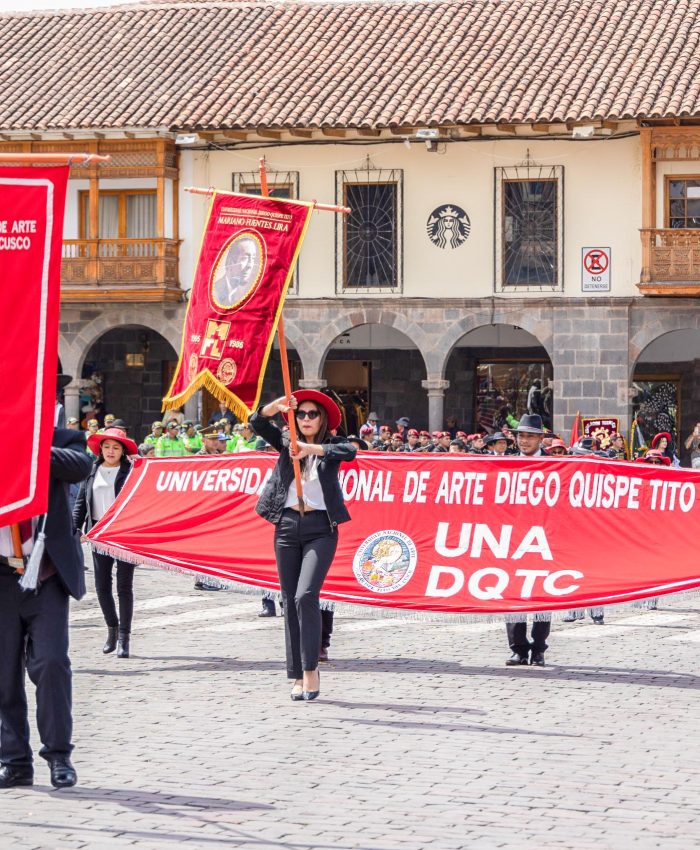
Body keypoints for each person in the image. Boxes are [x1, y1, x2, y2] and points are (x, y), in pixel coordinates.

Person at [0, 427, 91, 789]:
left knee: (52, 663)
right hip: (2, 573)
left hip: (46, 573)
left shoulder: (60, 437)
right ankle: (14, 761)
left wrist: (27, 446)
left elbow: (80, 466)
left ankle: (58, 755)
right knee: (4, 674)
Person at [250, 390, 356, 701]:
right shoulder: (284, 440)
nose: (306, 418)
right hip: (286, 526)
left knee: (305, 595)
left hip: (321, 529)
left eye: (313, 414)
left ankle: (311, 670)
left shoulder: (332, 445)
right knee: (288, 600)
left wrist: (309, 448)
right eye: (302, 414)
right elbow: (257, 422)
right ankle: (296, 673)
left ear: (322, 419)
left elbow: (350, 452)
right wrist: (276, 407)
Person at [74, 428, 139, 659]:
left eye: (116, 447)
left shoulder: (131, 472)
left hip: (123, 535)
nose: (111, 451)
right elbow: (81, 504)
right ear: (100, 449)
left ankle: (124, 637)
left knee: (124, 587)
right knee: (102, 587)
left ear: (123, 451)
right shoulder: (92, 471)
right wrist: (75, 530)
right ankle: (111, 628)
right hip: (99, 534)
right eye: (107, 446)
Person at [505, 413, 551, 667]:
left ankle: (539, 648)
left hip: (544, 538)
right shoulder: (506, 465)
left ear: (541, 439)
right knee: (513, 594)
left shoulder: (557, 466)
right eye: (521, 436)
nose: (524, 441)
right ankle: (518, 648)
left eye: (530, 436)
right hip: (512, 537)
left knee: (543, 596)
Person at [212, 235, 260, 307]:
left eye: (253, 258)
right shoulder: (214, 291)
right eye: (244, 258)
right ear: (230, 262)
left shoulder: (250, 293)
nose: (250, 265)